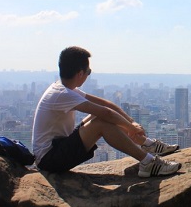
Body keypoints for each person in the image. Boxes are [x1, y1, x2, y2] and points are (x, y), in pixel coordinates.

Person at [32, 46, 181, 178]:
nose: (88, 75)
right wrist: (131, 128)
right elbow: (107, 114)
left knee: (99, 115)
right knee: (101, 123)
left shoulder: (64, 89)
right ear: (80, 73)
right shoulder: (62, 94)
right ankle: (148, 162)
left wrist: (132, 122)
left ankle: (148, 145)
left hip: (58, 147)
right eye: (88, 71)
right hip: (49, 159)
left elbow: (105, 105)